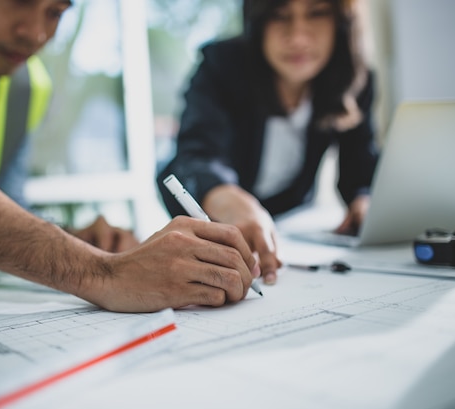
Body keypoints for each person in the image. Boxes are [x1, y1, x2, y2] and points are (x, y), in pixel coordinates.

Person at [0, 0, 260, 313]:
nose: (34, 33)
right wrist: (101, 271)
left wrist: (74, 240)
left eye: (55, 11)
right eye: (19, 0)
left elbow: (2, 216)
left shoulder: (26, 85)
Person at [158, 0, 379, 285]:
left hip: (292, 232)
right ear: (258, 22)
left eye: (317, 12)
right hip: (217, 224)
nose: (298, 37)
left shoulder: (354, 80)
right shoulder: (222, 65)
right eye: (279, 16)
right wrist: (228, 199)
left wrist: (365, 201)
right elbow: (197, 152)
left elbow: (360, 169)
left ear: (341, 21)